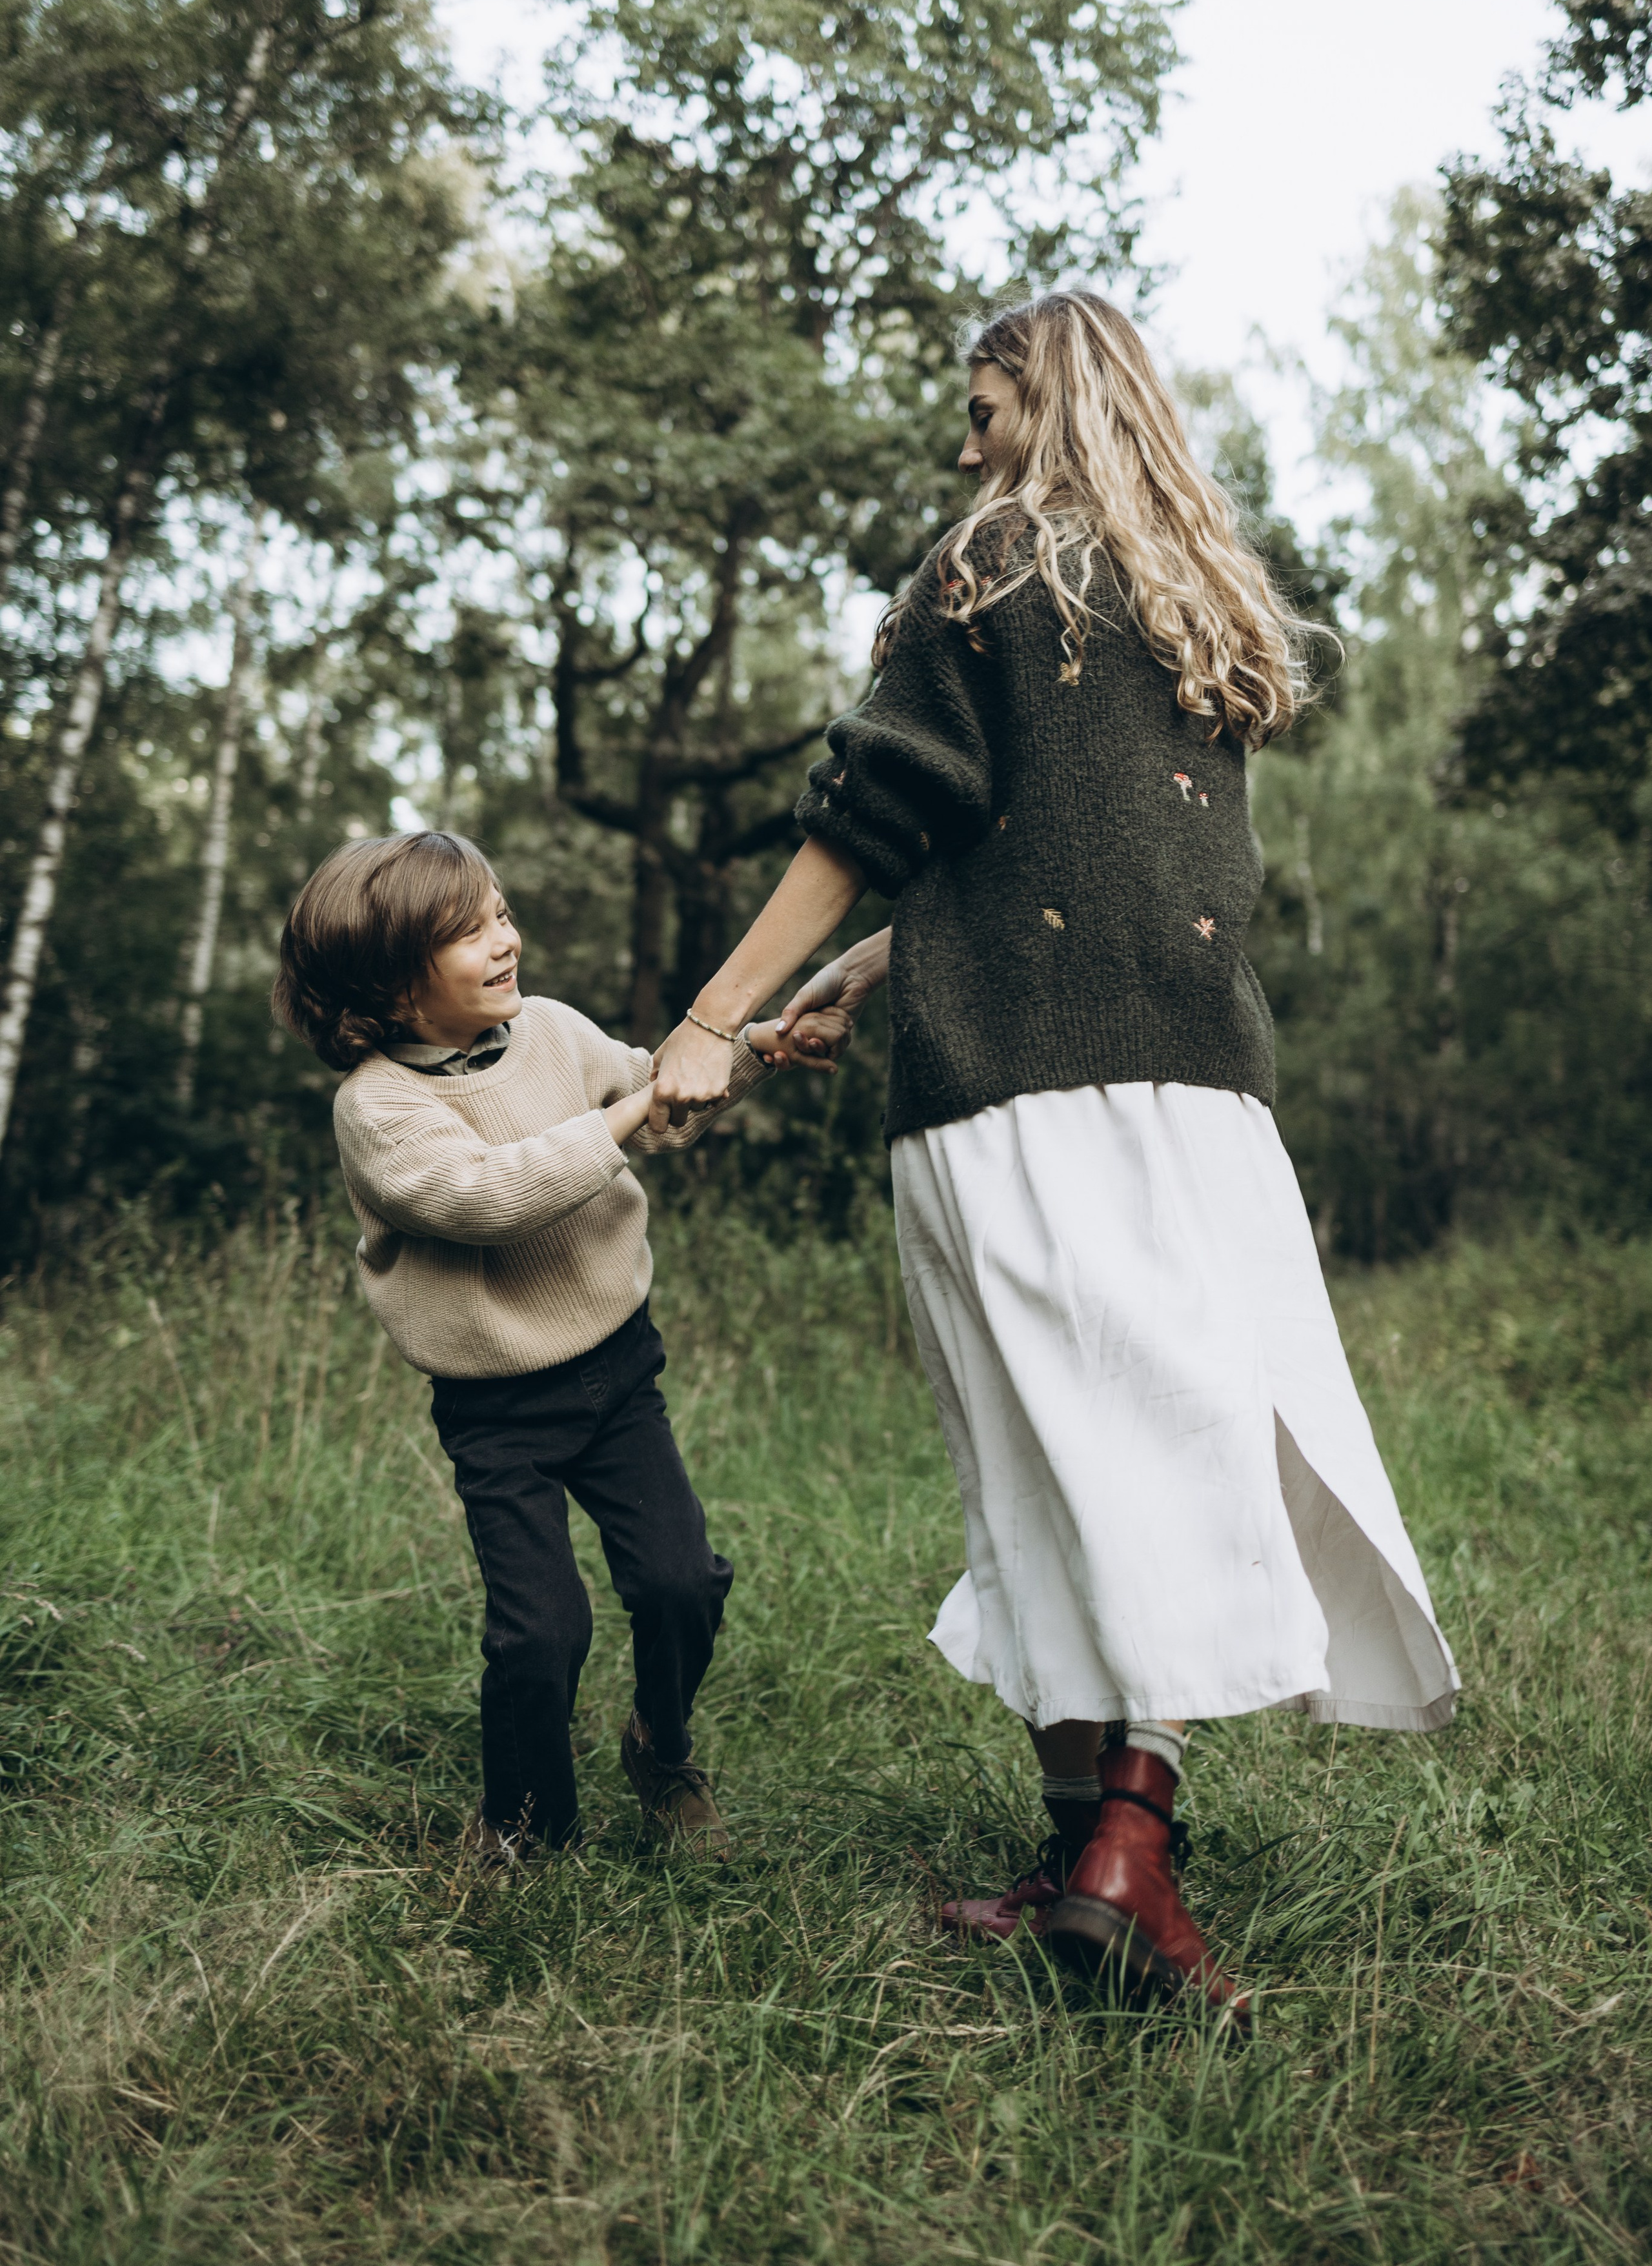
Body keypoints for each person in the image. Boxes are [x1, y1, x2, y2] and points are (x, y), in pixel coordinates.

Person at [647, 291, 1458, 2023]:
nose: (964, 446)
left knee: (1048, 1469)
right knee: (1171, 1451)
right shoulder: (1201, 610)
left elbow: (879, 807)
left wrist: (718, 1012)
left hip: (1014, 1092)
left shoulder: (993, 562)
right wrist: (876, 975)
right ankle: (1108, 1863)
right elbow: (1049, 846)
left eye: (986, 407)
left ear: (1058, 399)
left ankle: (1117, 1859)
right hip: (1199, 1100)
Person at [272, 829, 840, 1871]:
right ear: (391, 983)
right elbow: (486, 1198)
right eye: (468, 931)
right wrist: (623, 1117)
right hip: (496, 1409)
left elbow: (660, 1102)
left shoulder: (554, 1031)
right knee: (542, 1631)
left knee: (681, 1586)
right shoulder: (380, 1108)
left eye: (501, 912)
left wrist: (757, 1048)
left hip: (617, 1372)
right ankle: (527, 1830)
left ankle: (661, 1749)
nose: (505, 940)